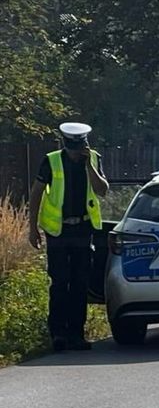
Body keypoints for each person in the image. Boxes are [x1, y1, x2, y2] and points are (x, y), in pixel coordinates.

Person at [28, 122, 108, 351]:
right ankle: (58, 334)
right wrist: (32, 228)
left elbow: (103, 190)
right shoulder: (51, 160)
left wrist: (88, 168)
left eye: (80, 149)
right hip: (58, 232)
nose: (76, 154)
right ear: (66, 145)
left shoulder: (93, 159)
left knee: (80, 284)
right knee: (60, 283)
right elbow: (36, 194)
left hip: (83, 231)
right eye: (73, 150)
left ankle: (77, 334)